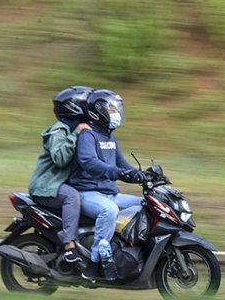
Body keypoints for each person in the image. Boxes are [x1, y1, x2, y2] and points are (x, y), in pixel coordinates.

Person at [67, 89, 146, 281]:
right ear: (98, 111)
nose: (116, 114)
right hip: (87, 192)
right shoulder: (88, 135)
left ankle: (121, 250)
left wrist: (142, 176)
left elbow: (122, 165)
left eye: (116, 109)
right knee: (109, 211)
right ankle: (94, 263)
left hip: (109, 192)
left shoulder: (110, 137)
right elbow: (89, 162)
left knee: (145, 205)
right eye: (111, 109)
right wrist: (118, 173)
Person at [28, 86, 93, 264]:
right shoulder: (60, 130)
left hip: (59, 183)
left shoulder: (80, 130)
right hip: (47, 185)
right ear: (75, 108)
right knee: (72, 197)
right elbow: (60, 158)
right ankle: (69, 247)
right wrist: (76, 134)